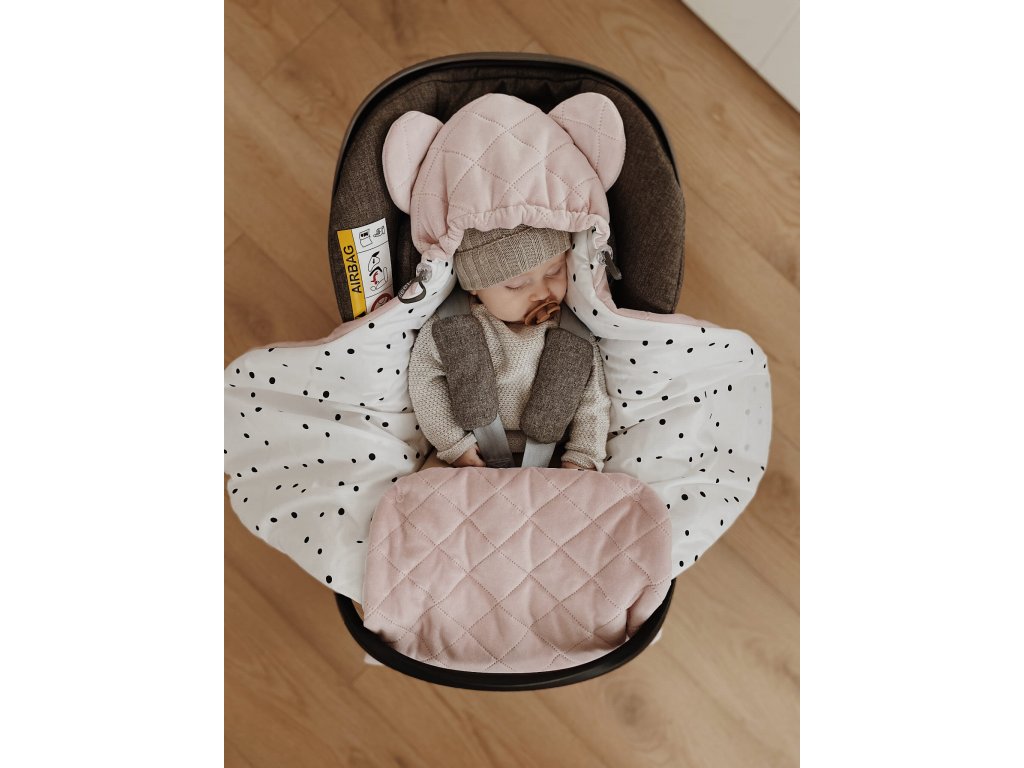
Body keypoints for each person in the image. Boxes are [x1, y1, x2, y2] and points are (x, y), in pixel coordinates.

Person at [408, 224, 611, 470]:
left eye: (554, 271)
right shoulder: (451, 324)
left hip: (556, 457)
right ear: (474, 287)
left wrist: (583, 454)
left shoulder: (572, 332)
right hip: (469, 454)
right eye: (516, 285)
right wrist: (453, 443)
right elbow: (425, 383)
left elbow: (593, 400)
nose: (542, 293)